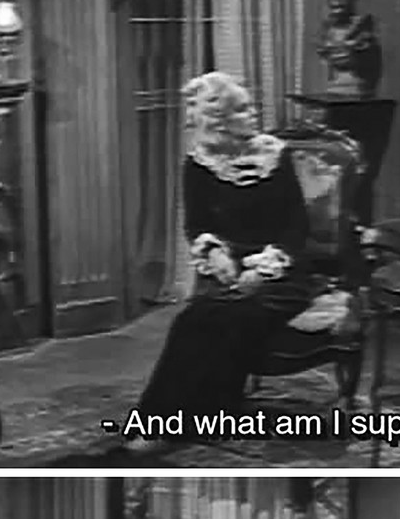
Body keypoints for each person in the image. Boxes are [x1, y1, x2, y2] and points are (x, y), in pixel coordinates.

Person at [125, 72, 313, 456]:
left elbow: (297, 229)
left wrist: (263, 270)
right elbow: (197, 225)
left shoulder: (276, 157)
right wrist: (214, 253)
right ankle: (182, 417)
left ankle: (173, 420)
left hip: (283, 272)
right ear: (220, 121)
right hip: (230, 270)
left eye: (250, 106)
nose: (253, 113)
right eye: (242, 109)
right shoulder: (199, 165)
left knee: (218, 317)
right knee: (197, 319)